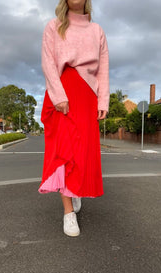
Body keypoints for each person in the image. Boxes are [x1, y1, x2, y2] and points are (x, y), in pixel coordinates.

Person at [38, 0, 109, 237]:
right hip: (63, 92)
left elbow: (103, 69)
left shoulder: (97, 30)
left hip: (87, 96)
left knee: (82, 152)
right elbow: (48, 62)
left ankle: (75, 189)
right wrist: (58, 95)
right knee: (63, 152)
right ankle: (68, 212)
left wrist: (103, 100)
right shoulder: (54, 26)